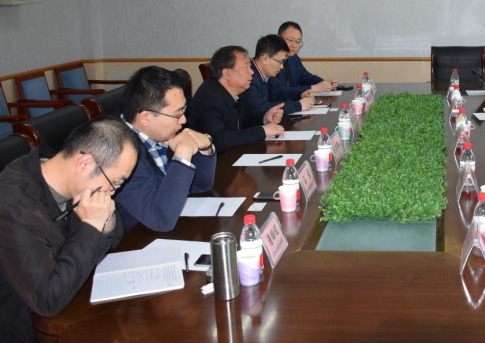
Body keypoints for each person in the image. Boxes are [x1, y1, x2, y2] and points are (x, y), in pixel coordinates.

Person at [0, 117, 139, 341]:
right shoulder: (14, 207)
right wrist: (92, 226)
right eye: (115, 182)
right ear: (84, 163)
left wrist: (104, 222)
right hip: (27, 326)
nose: (113, 192)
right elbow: (47, 299)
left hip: (74, 301)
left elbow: (114, 237)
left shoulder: (65, 177)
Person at [116, 66, 216, 232]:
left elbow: (199, 186)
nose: (183, 120)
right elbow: (160, 219)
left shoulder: (160, 133)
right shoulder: (120, 151)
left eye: (184, 110)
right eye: (177, 114)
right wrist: (183, 155)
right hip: (134, 238)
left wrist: (206, 147)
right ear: (146, 117)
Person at [187, 46, 285, 155]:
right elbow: (218, 140)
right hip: (216, 161)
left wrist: (264, 117)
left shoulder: (235, 91)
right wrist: (263, 131)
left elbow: (244, 119)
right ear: (227, 73)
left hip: (232, 154)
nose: (252, 72)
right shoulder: (209, 98)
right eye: (246, 67)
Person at [241, 34, 314, 116]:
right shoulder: (249, 78)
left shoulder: (268, 75)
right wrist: (298, 105)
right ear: (265, 59)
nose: (281, 67)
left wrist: (300, 94)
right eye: (280, 62)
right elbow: (260, 108)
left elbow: (281, 92)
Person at [277, 21, 337, 96]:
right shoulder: (272, 61)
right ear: (278, 39)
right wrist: (313, 88)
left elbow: (306, 77)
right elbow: (279, 91)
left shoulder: (293, 58)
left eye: (298, 42)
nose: (294, 45)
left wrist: (325, 84)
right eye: (290, 40)